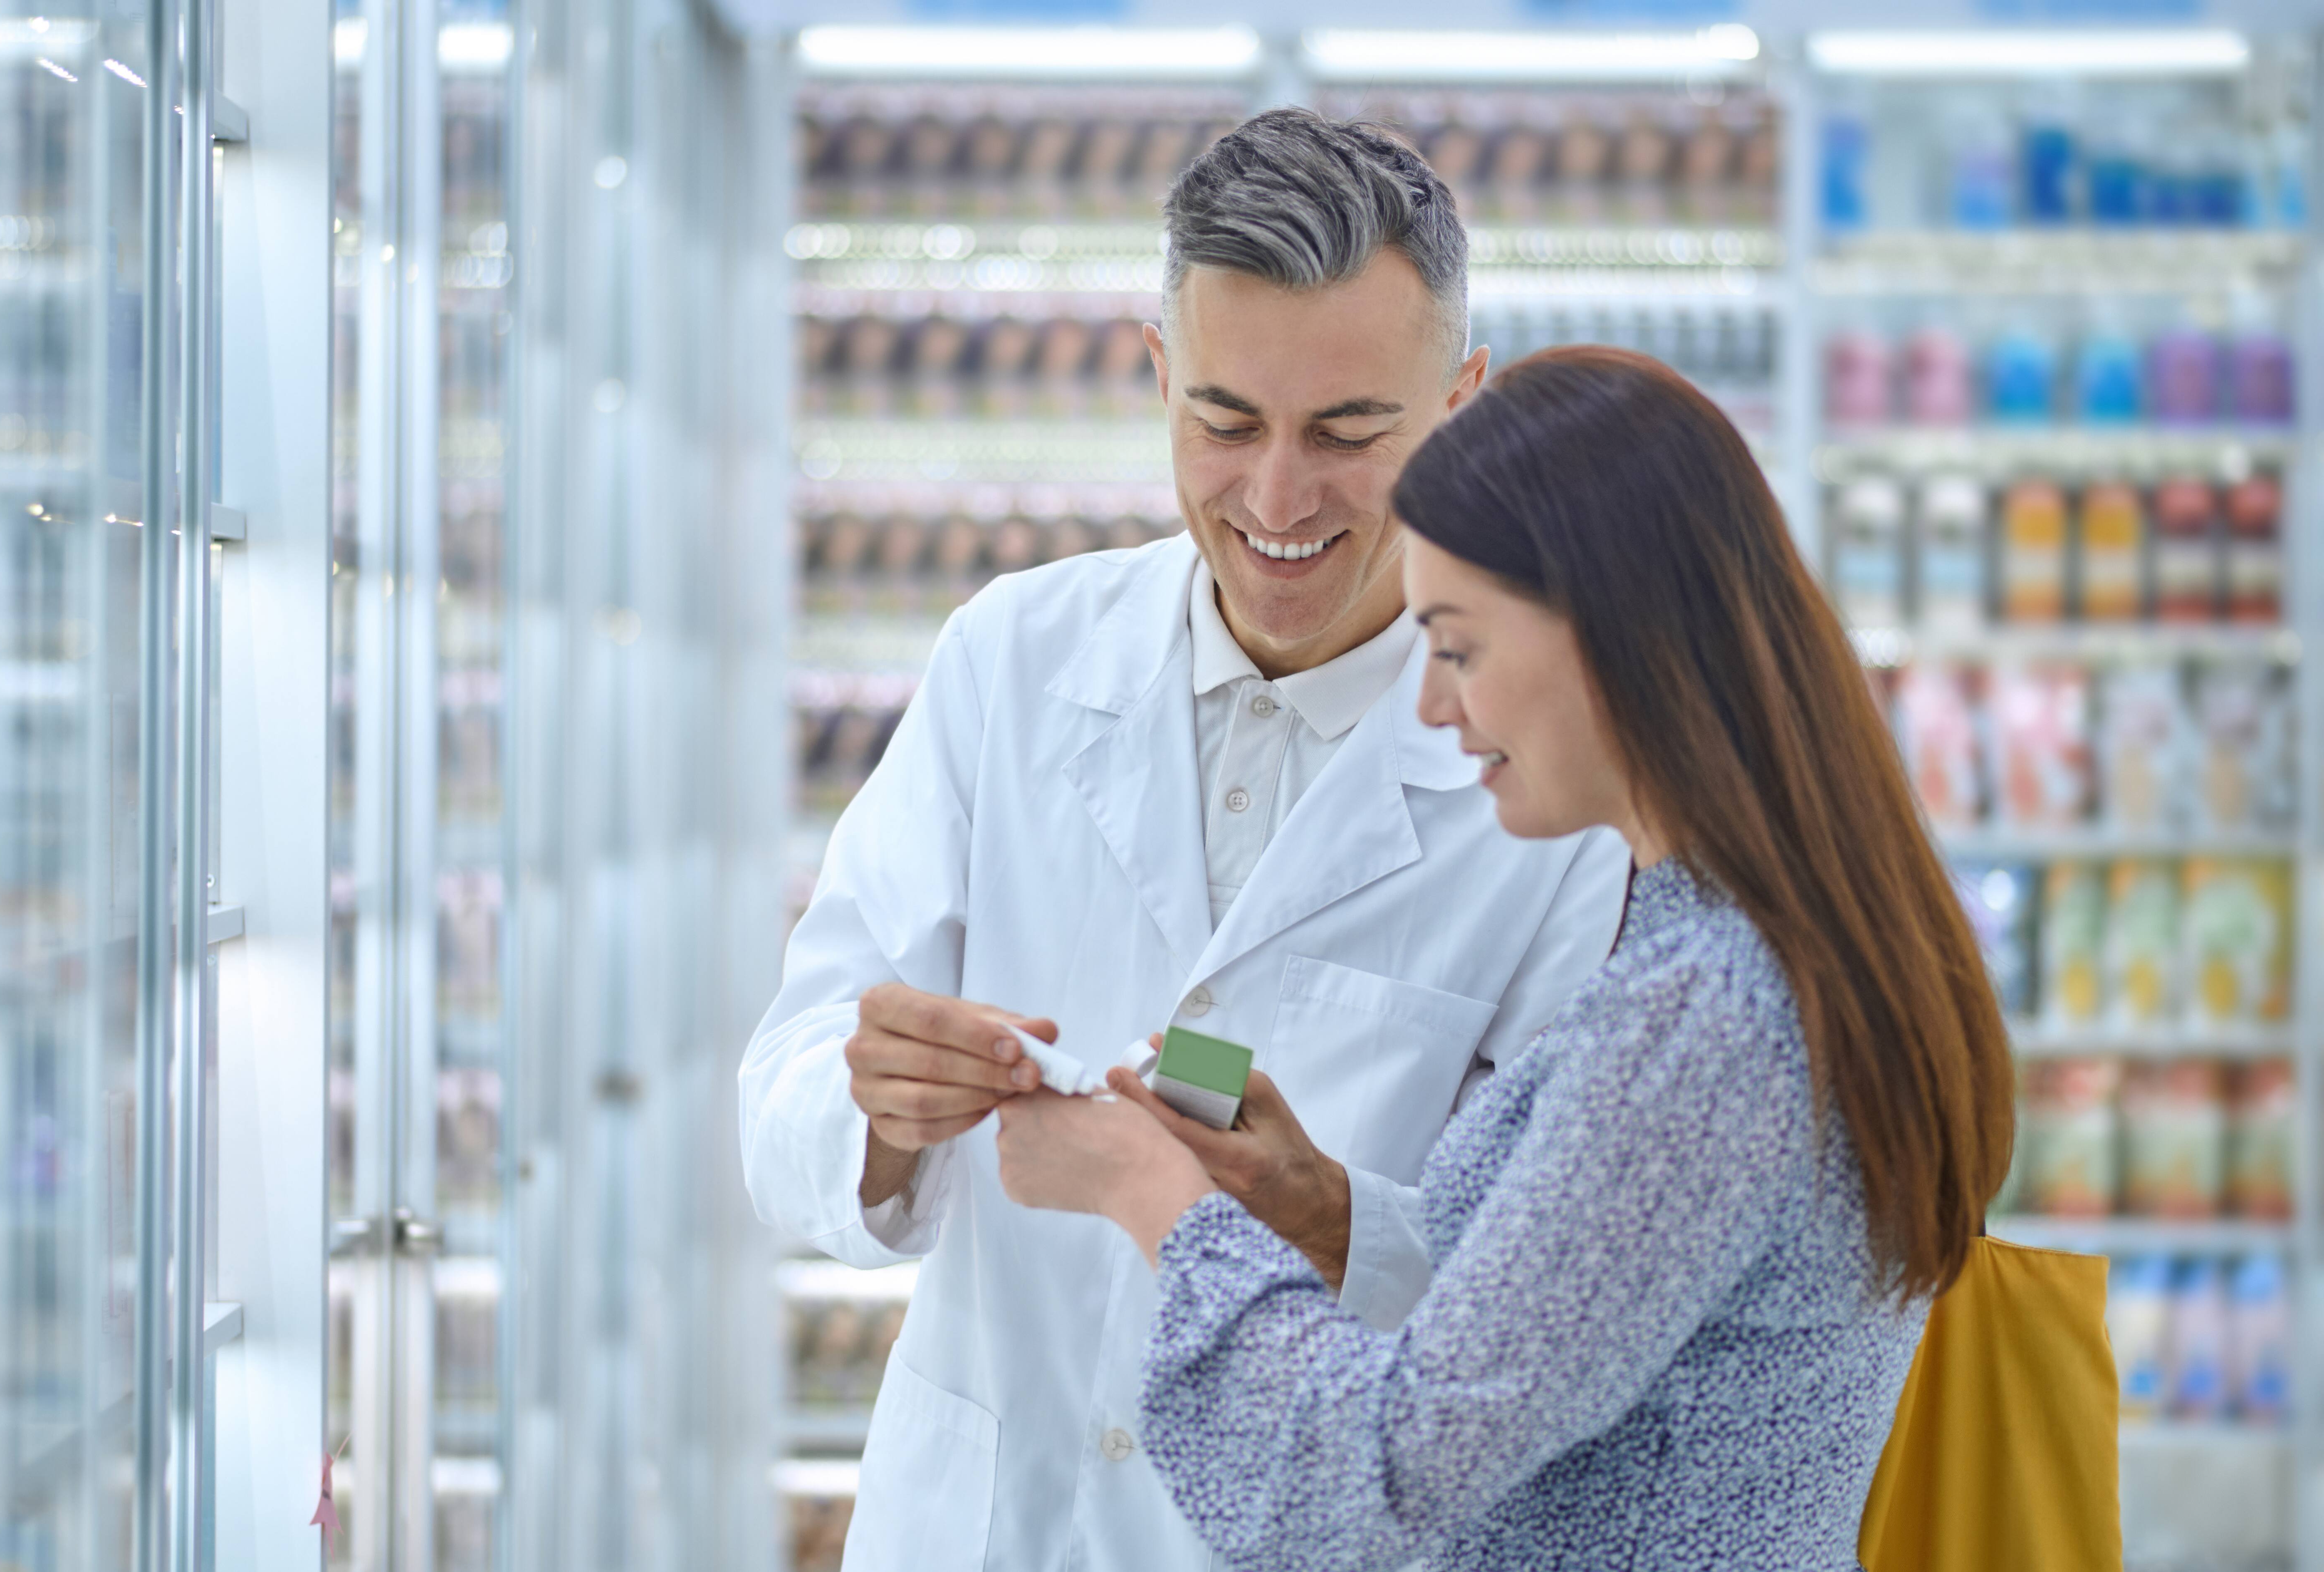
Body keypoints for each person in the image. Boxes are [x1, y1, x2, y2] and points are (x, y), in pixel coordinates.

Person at [738, 112, 1630, 1572]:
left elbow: (1550, 1302)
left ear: (1462, 407)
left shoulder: (1554, 777)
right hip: (993, 1520)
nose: (1278, 500)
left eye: (1350, 434)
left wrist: (1330, 1212)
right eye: (1224, 422)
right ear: (1157, 376)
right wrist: (884, 1112)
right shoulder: (1012, 658)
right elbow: (782, 1097)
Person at [994, 346, 2019, 1570]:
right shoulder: (1749, 937)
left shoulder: (1703, 1012)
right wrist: (1314, 1204)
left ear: (1620, 632)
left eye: (1459, 645)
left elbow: (1375, 1480)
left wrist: (1147, 1194)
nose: (1432, 707)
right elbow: (1595, 1313)